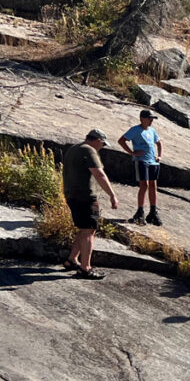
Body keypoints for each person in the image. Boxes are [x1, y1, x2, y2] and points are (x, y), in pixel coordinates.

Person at [62, 129, 119, 280]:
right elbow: (99, 174)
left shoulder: (74, 148)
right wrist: (112, 195)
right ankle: (85, 268)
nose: (102, 147)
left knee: (84, 229)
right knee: (89, 231)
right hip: (85, 197)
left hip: (71, 195)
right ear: (97, 140)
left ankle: (72, 259)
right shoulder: (89, 150)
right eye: (103, 144)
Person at [119, 109, 163, 226]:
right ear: (142, 118)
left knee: (153, 185)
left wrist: (159, 156)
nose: (151, 121)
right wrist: (132, 153)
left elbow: (159, 142)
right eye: (149, 118)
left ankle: (153, 211)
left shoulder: (152, 130)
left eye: (152, 119)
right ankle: (140, 211)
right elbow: (122, 141)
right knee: (144, 185)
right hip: (141, 161)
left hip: (153, 161)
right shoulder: (135, 130)